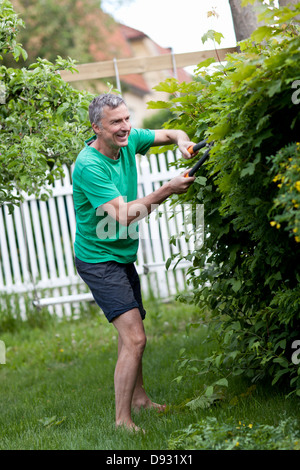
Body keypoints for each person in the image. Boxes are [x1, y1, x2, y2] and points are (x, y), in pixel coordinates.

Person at [72, 93, 196, 432]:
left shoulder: (127, 140)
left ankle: (139, 400)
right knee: (136, 338)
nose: (125, 127)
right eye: (116, 122)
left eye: (127, 119)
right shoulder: (89, 165)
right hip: (99, 259)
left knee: (132, 333)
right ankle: (121, 422)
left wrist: (183, 144)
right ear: (96, 127)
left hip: (122, 254)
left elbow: (172, 134)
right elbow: (124, 216)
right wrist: (167, 189)